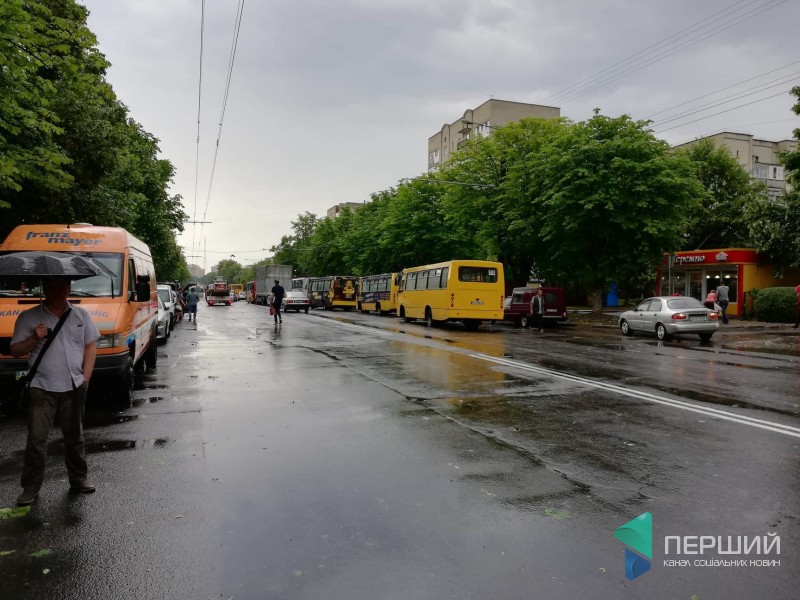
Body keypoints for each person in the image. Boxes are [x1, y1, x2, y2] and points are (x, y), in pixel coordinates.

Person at [9, 277, 100, 506]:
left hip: (74, 386)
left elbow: (90, 345)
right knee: (37, 440)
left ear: (68, 289)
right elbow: (15, 350)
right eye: (51, 287)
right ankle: (30, 488)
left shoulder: (81, 315)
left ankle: (78, 478)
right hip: (42, 388)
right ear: (45, 289)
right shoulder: (29, 317)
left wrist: (86, 377)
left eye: (61, 286)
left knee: (75, 436)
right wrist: (34, 338)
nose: (57, 291)